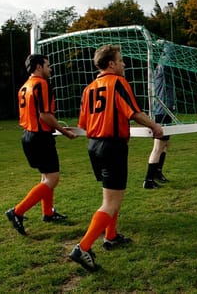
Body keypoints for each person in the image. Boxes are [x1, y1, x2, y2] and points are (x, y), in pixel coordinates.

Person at [69, 44, 163, 272]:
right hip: (112, 146)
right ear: (111, 63)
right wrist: (155, 126)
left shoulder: (88, 88)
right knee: (111, 202)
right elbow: (134, 112)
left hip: (94, 146)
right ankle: (82, 248)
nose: (124, 64)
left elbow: (83, 123)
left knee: (111, 196)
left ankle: (111, 236)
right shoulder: (118, 83)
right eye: (121, 60)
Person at [5, 54, 77, 236]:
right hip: (39, 138)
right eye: (47, 65)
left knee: (46, 178)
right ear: (38, 67)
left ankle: (48, 213)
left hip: (28, 136)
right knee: (52, 179)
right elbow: (45, 115)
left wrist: (56, 127)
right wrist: (64, 131)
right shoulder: (41, 84)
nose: (50, 69)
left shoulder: (24, 86)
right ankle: (17, 212)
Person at [143, 44, 176, 189]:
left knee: (165, 145)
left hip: (166, 111)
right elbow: (165, 60)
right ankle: (148, 180)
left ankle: (157, 173)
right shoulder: (160, 71)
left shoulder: (161, 73)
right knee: (158, 147)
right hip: (162, 113)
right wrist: (168, 47)